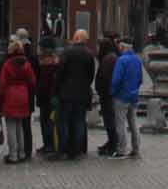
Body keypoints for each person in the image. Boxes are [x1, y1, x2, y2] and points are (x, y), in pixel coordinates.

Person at [55, 29, 96, 158]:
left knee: (63, 121)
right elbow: (91, 75)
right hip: (82, 93)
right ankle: (76, 150)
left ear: (75, 37)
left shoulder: (67, 52)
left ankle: (63, 148)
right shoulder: (89, 54)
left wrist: (59, 87)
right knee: (79, 122)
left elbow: (60, 72)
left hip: (66, 93)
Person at [0, 42, 36, 162]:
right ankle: (22, 153)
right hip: (23, 94)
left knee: (11, 126)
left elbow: (2, 83)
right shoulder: (27, 64)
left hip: (10, 95)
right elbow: (33, 81)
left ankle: (13, 155)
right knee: (20, 126)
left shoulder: (7, 64)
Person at [105, 39, 144, 159]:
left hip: (121, 96)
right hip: (133, 95)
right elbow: (140, 79)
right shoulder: (137, 59)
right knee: (133, 123)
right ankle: (136, 149)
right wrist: (135, 90)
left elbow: (116, 79)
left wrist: (112, 92)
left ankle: (121, 150)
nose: (118, 48)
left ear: (122, 47)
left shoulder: (121, 60)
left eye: (119, 46)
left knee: (120, 123)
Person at [94, 32, 120, 157]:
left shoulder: (109, 59)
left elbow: (107, 77)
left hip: (108, 94)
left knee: (110, 120)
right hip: (107, 93)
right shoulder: (109, 57)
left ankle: (113, 143)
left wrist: (105, 89)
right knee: (108, 120)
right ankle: (111, 142)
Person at [34, 45, 60, 158]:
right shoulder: (45, 68)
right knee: (45, 123)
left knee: (49, 123)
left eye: (45, 58)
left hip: (49, 99)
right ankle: (47, 144)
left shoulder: (51, 69)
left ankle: (50, 145)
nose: (44, 60)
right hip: (45, 99)